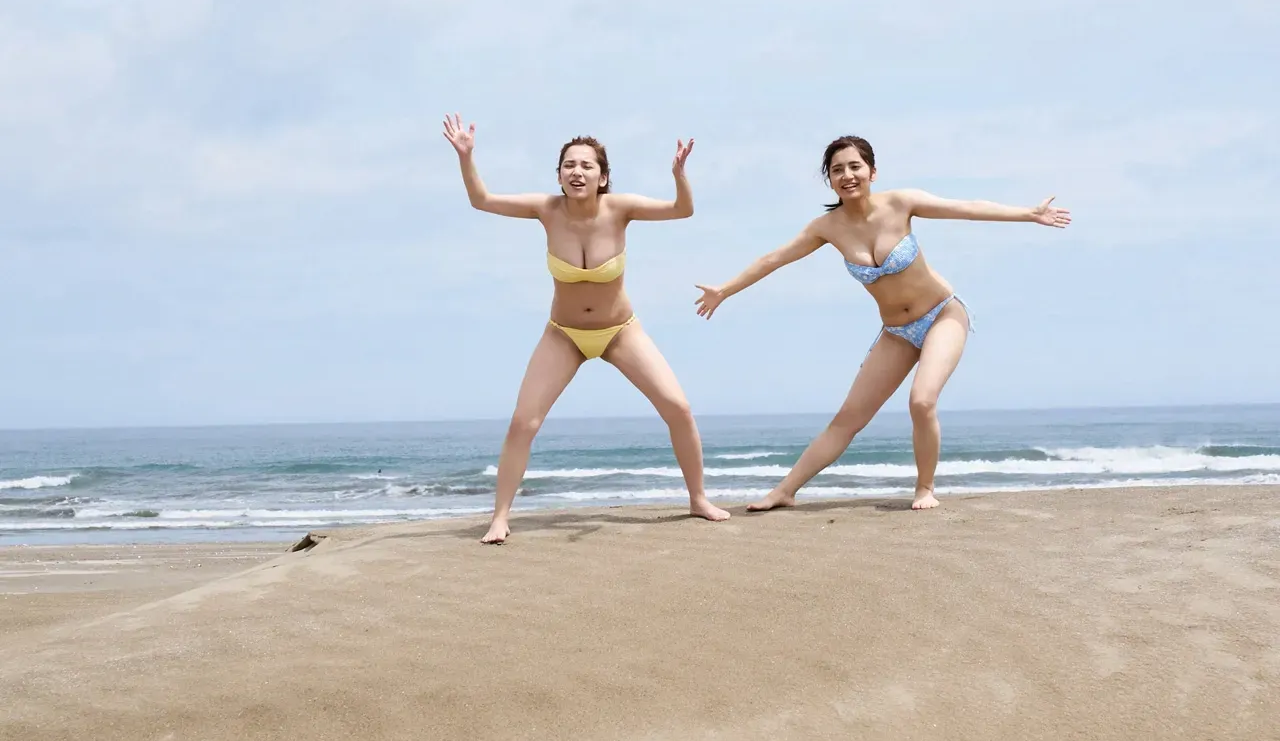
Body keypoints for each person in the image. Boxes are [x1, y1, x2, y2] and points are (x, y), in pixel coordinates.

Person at [695, 134, 1070, 512]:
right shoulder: (827, 227)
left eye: (855, 166)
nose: (847, 175)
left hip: (942, 314)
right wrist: (724, 290)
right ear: (830, 180)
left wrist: (1028, 213)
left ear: (872, 171)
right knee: (847, 418)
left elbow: (967, 208)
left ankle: (925, 488)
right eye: (837, 170)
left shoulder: (901, 203)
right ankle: (784, 491)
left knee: (921, 401)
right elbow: (773, 259)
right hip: (896, 333)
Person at [444, 115, 731, 543]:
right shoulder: (546, 209)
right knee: (523, 423)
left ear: (603, 177)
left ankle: (698, 499)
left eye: (586, 165)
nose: (577, 172)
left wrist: (679, 175)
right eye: (569, 165)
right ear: (559, 175)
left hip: (620, 331)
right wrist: (466, 156)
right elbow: (481, 199)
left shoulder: (620, 208)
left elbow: (682, 210)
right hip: (564, 334)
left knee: (678, 407)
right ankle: (500, 517)